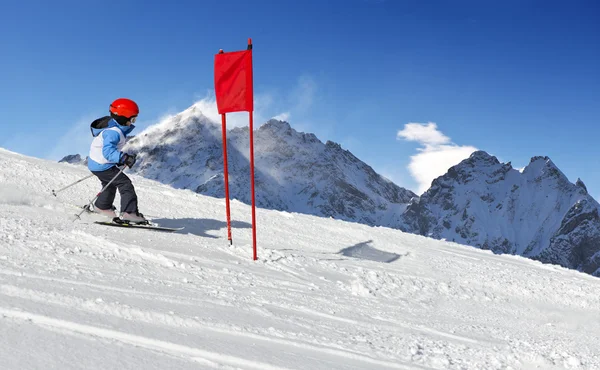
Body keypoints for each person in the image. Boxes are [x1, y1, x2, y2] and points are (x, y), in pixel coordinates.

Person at [87, 98, 146, 224]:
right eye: (132, 119)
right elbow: (108, 152)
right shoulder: (114, 132)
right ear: (123, 118)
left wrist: (121, 158)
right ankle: (129, 213)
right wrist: (123, 158)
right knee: (125, 184)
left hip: (97, 163)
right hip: (102, 164)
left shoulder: (114, 128)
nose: (133, 122)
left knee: (110, 183)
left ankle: (102, 207)